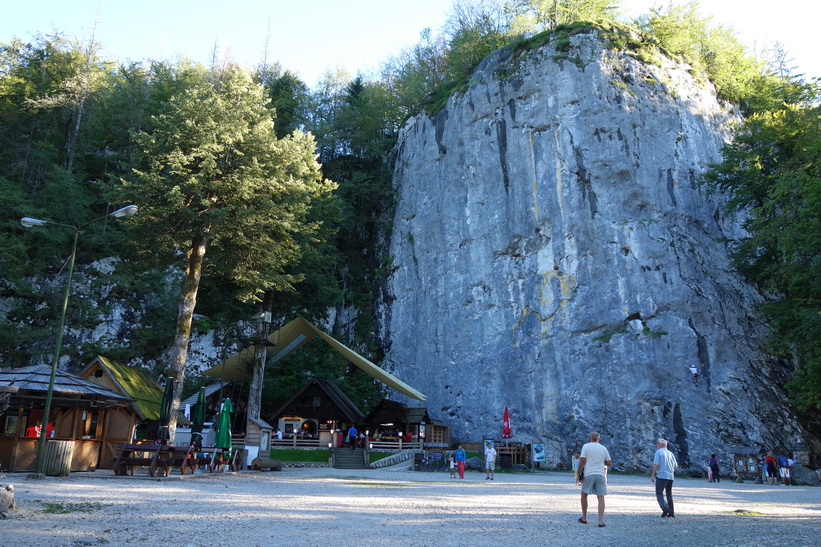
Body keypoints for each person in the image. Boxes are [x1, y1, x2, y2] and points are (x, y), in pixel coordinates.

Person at [577, 431, 612, 527]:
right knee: (601, 497)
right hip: (600, 474)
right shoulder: (603, 448)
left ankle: (584, 517)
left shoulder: (586, 447)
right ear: (599, 438)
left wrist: (578, 474)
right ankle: (600, 521)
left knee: (584, 494)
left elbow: (582, 461)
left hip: (589, 474)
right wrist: (601, 462)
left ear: (590, 438)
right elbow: (609, 463)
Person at [651, 439, 678, 518]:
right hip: (670, 476)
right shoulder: (671, 454)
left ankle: (665, 508)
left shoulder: (659, 452)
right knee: (669, 494)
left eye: (657, 443)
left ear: (661, 444)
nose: (656, 445)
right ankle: (671, 512)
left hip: (662, 475)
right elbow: (676, 466)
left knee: (659, 493)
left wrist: (653, 475)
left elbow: (656, 464)